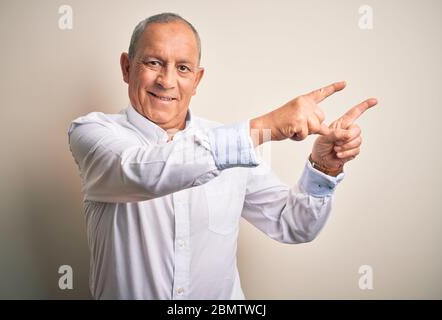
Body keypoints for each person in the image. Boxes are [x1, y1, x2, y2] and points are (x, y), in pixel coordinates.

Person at [68, 12, 377, 299]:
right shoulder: (93, 134)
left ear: (197, 80)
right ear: (126, 67)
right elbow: (141, 172)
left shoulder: (230, 146)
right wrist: (265, 127)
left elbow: (293, 223)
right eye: (153, 63)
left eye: (183, 68)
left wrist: (324, 167)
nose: (167, 80)